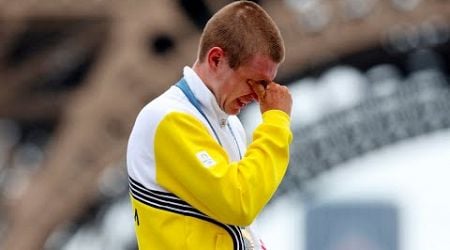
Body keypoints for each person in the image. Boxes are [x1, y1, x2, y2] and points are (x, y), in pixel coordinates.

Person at [126, 1, 293, 249]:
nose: (259, 95)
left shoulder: (230, 125)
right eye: (253, 82)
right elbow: (238, 203)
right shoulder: (166, 118)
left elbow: (234, 228)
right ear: (216, 59)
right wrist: (276, 122)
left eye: (266, 85)